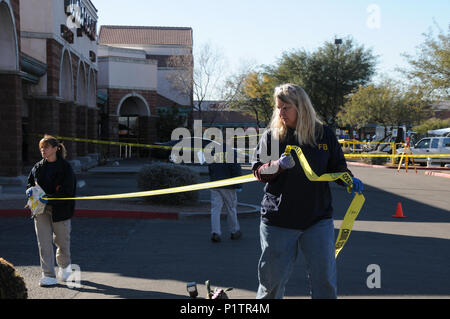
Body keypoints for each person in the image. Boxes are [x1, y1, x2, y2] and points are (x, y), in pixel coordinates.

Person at [251, 84, 363, 299]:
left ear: (301, 107)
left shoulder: (323, 134)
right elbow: (259, 172)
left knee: (325, 283)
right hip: (278, 221)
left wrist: (348, 180)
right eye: (278, 108)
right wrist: (277, 165)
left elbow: (337, 167)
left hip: (317, 220)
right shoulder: (273, 137)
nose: (281, 113)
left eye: (286, 108)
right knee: (271, 285)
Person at [26, 135, 77, 287]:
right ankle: (48, 274)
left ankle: (65, 267)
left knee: (62, 241)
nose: (43, 150)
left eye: (46, 147)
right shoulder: (38, 167)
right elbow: (30, 182)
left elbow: (68, 190)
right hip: (40, 210)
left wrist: (51, 199)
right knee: (44, 242)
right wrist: (29, 191)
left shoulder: (65, 167)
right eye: (41, 147)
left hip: (60, 210)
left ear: (56, 149)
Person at [207, 141, 243, 243]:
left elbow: (210, 168)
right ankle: (234, 231)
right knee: (231, 208)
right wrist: (238, 185)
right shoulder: (231, 152)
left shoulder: (213, 152)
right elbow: (235, 169)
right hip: (228, 186)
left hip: (215, 184)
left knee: (215, 209)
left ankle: (215, 232)